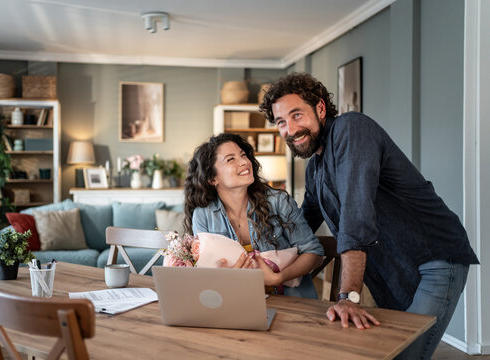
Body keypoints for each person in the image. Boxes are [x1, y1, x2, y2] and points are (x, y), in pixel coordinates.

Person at [259, 72, 479, 359]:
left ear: (321, 108)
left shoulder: (352, 130)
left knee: (406, 354)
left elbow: (356, 214)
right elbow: (301, 226)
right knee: (383, 351)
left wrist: (348, 296)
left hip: (435, 260)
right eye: (281, 123)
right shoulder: (315, 169)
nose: (291, 129)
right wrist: (255, 251)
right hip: (391, 270)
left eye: (297, 114)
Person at [184, 133, 324, 298]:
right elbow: (202, 273)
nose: (244, 162)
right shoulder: (203, 215)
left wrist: (277, 278)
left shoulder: (278, 201)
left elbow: (314, 253)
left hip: (291, 303)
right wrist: (223, 278)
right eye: (231, 159)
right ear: (213, 178)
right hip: (236, 303)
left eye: (243, 155)